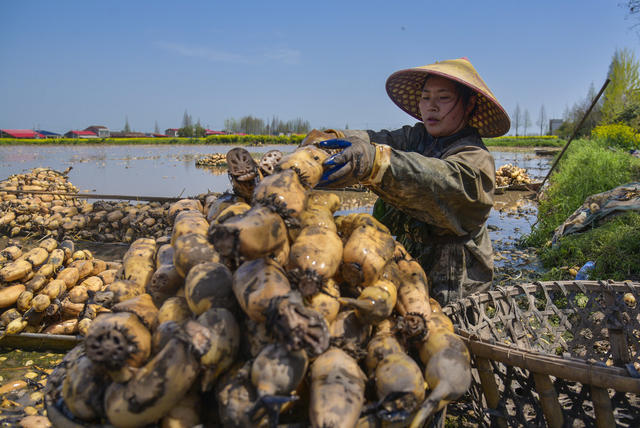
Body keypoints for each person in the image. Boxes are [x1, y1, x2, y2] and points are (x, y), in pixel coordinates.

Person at [302, 57, 510, 306]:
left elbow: (438, 180)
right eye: (425, 97)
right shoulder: (416, 138)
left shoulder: (475, 157)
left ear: (469, 105)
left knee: (441, 331)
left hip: (451, 283)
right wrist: (335, 138)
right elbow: (376, 139)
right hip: (403, 266)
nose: (431, 106)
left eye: (443, 98)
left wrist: (376, 162)